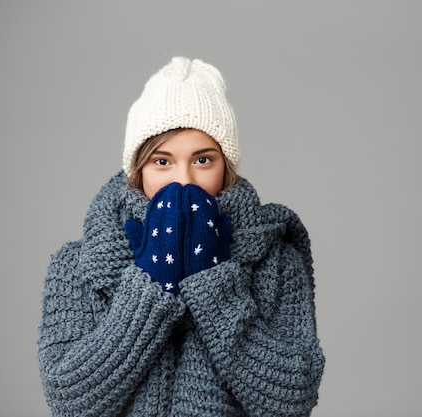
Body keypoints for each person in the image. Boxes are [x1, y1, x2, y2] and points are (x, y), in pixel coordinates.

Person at [37, 57, 325, 417]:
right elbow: (69, 400)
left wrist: (215, 286)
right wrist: (149, 287)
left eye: (203, 160)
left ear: (227, 166)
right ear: (137, 168)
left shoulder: (275, 259)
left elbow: (293, 398)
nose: (183, 180)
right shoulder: (78, 265)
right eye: (162, 161)